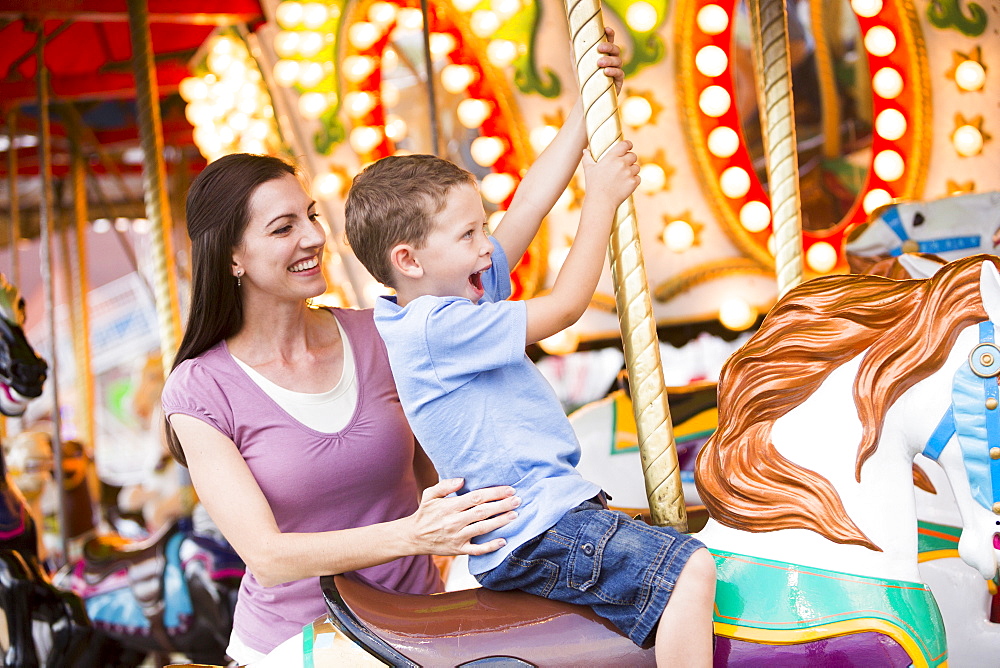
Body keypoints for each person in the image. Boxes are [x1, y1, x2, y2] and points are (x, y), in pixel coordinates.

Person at [343, 45, 716, 668]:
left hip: (547, 515)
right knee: (690, 570)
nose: (487, 247)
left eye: (479, 229)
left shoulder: (448, 290)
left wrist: (589, 110)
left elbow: (527, 209)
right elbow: (567, 305)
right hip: (535, 528)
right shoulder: (436, 327)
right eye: (468, 236)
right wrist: (601, 199)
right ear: (409, 260)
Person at [160, 153, 524, 663]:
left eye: (310, 215)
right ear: (231, 257)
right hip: (301, 642)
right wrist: (414, 536)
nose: (312, 236)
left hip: (420, 623)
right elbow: (267, 557)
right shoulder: (201, 389)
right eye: (283, 228)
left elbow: (430, 471)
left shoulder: (381, 335)